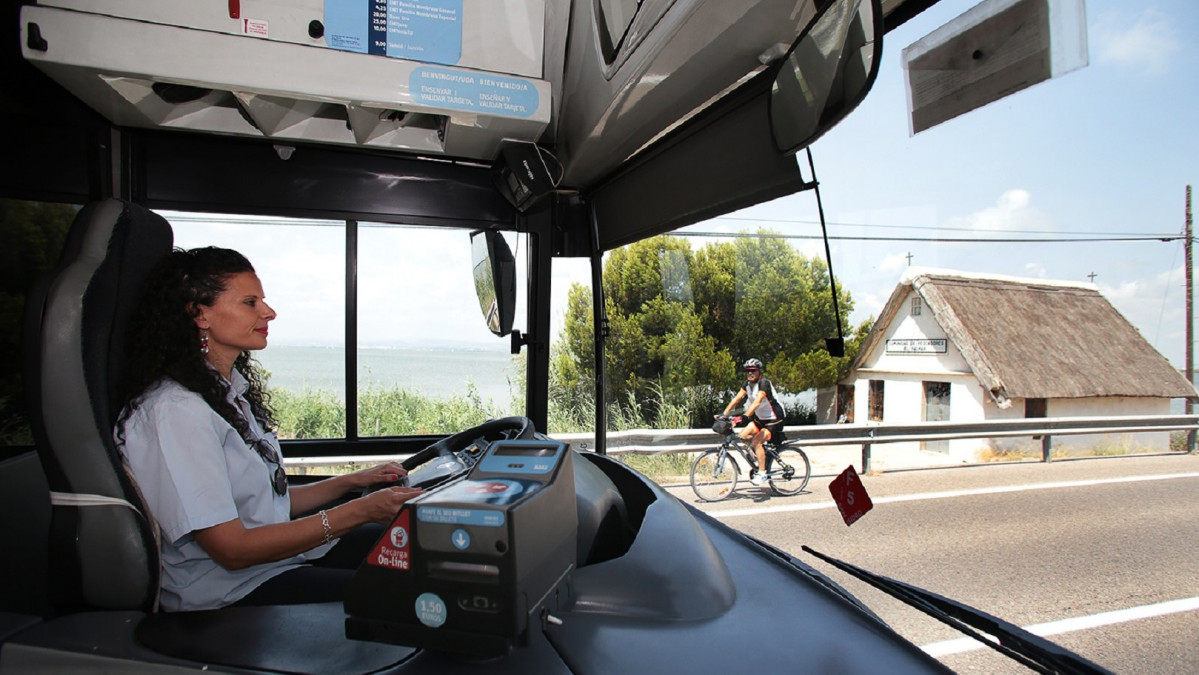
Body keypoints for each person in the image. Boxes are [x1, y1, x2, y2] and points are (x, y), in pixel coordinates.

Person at [114, 246, 422, 611]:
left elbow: (266, 504)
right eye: (250, 302)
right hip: (229, 591)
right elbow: (232, 549)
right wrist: (361, 511)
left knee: (416, 546)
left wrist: (354, 481)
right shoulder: (175, 413)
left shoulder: (226, 395)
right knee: (404, 590)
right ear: (200, 314)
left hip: (273, 565)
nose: (269, 312)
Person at [718, 358, 786, 487]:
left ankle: (762, 473)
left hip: (774, 418)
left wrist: (743, 417)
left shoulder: (764, 383)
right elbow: (736, 399)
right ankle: (760, 457)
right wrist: (724, 415)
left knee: (757, 441)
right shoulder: (747, 384)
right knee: (742, 436)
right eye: (748, 371)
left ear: (759, 371)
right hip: (761, 418)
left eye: (753, 371)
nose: (750, 373)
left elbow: (757, 402)